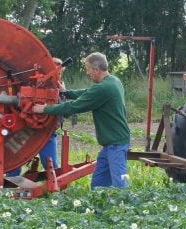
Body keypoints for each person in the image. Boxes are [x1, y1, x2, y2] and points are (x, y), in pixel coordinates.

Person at [33, 52, 131, 188]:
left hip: (116, 144)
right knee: (98, 184)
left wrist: (44, 109)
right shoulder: (113, 81)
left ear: (97, 70)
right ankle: (100, 201)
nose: (87, 72)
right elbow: (87, 93)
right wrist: (65, 92)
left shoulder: (103, 88)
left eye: (88, 69)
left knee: (120, 183)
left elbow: (74, 106)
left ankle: (127, 202)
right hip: (111, 143)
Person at [7, 57, 64, 176]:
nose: (56, 76)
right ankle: (10, 185)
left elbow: (65, 112)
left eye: (59, 73)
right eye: (55, 72)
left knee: (51, 164)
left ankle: (57, 185)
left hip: (47, 131)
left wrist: (63, 93)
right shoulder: (31, 83)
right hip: (25, 130)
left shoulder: (61, 90)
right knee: (14, 163)